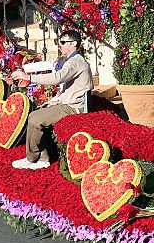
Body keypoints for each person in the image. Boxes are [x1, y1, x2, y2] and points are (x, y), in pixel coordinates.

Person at [11, 29, 93, 169]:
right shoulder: (74, 60)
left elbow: (58, 78)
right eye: (58, 42)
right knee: (40, 112)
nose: (59, 45)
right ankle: (43, 159)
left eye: (62, 42)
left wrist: (29, 78)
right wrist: (58, 100)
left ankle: (32, 158)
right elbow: (71, 87)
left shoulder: (75, 62)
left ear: (74, 44)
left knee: (34, 118)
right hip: (70, 104)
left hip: (73, 108)